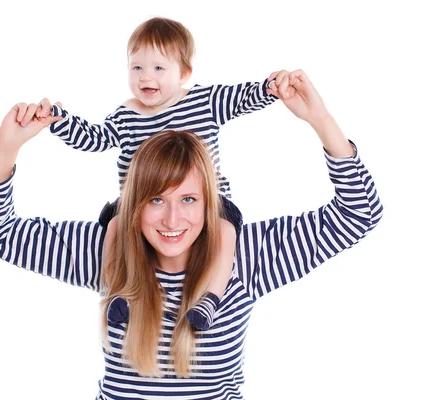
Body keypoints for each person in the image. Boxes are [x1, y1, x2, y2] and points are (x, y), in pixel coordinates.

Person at [0, 68, 383, 399]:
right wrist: (6, 147)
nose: (171, 220)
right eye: (155, 200)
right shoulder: (106, 250)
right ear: (134, 205)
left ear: (210, 203)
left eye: (188, 200)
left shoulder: (247, 255)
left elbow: (360, 213)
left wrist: (321, 121)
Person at [34, 16, 280, 331]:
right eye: (137, 68)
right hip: (140, 203)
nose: (146, 77)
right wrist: (58, 119)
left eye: (159, 68)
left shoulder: (204, 101)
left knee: (226, 234)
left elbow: (243, 98)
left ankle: (210, 299)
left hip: (204, 203)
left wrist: (270, 88)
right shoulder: (127, 115)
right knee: (114, 229)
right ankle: (119, 294)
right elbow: (94, 138)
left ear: (184, 73)